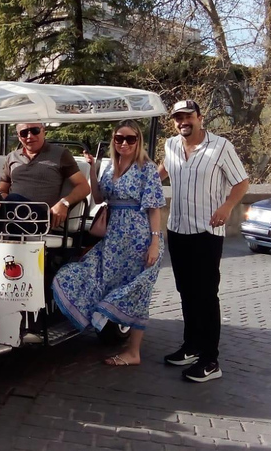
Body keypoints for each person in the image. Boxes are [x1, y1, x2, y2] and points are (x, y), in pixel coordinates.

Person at [52, 120, 165, 367]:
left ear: (139, 141)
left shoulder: (146, 168)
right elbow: (100, 197)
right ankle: (96, 323)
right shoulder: (111, 166)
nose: (124, 143)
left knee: (136, 291)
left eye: (130, 139)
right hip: (114, 238)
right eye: (119, 138)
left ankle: (133, 351)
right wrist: (92, 168)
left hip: (139, 237)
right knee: (85, 274)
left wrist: (154, 243)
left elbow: (154, 209)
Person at [158, 99, 249, 383]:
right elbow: (161, 172)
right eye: (177, 118)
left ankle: (210, 360)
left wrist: (227, 207)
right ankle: (191, 347)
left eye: (187, 116)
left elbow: (241, 182)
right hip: (178, 228)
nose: (182, 121)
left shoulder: (221, 147)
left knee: (206, 296)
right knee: (186, 292)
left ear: (199, 117)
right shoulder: (171, 145)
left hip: (207, 232)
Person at [0, 123, 90, 230]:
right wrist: (1, 197)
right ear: (19, 137)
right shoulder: (12, 157)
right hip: (10, 211)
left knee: (13, 199)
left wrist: (64, 203)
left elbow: (84, 187)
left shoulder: (60, 154)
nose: (29, 136)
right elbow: (2, 189)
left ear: (43, 132)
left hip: (39, 217)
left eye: (35, 131)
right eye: (24, 133)